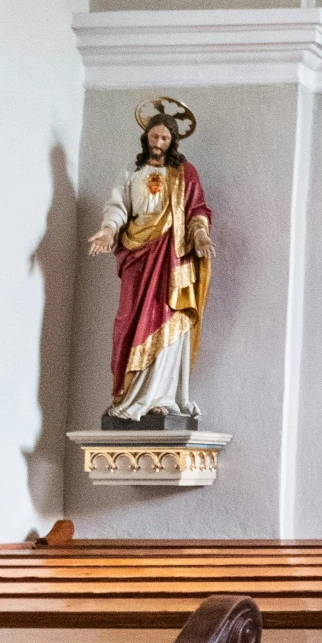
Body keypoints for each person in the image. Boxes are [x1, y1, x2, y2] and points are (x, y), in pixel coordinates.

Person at [86, 98, 213, 422]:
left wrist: (200, 235)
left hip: (171, 256)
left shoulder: (185, 173)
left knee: (166, 317)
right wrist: (107, 230)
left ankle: (163, 397)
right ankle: (130, 395)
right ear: (146, 137)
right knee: (128, 319)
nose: (158, 143)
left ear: (173, 142)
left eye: (165, 139)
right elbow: (117, 206)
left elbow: (197, 209)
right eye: (154, 137)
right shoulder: (132, 171)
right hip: (137, 252)